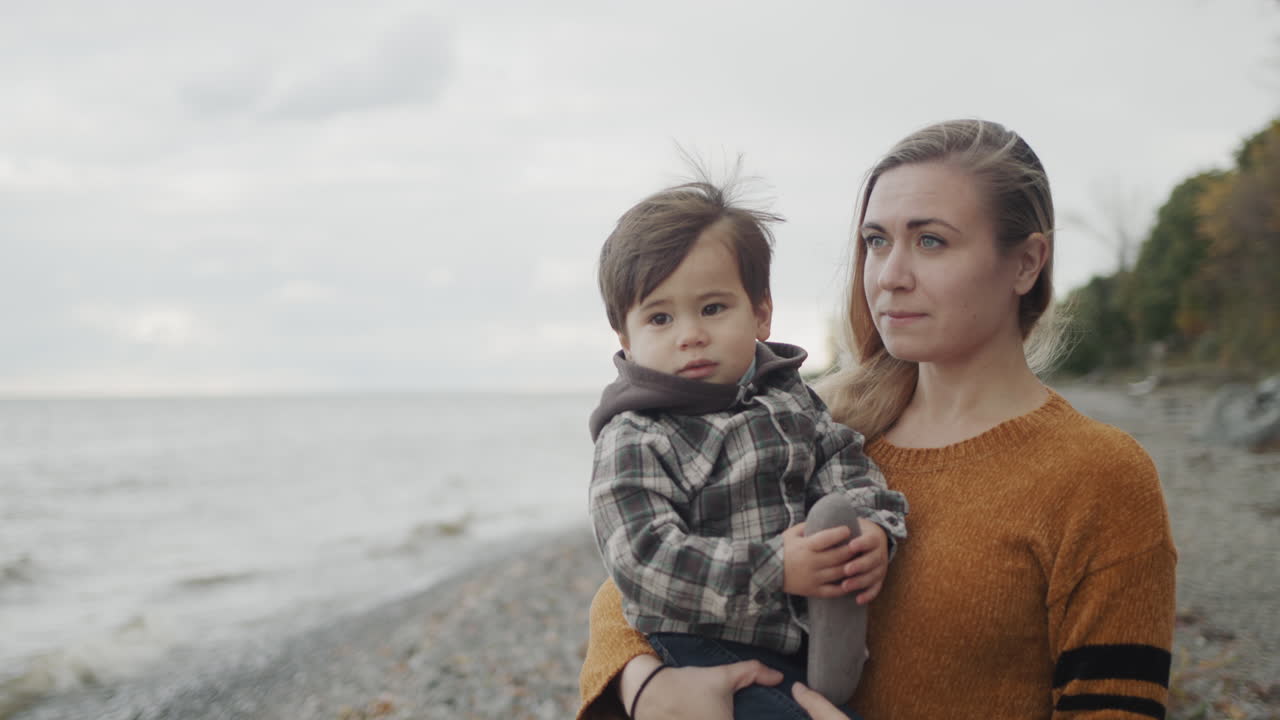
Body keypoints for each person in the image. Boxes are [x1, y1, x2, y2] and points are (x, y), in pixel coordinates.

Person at [578, 119, 1178, 720]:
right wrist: (646, 688)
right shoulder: (816, 419)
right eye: (876, 241)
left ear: (1026, 262)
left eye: (931, 241)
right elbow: (627, 586)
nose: (889, 275)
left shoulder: (1100, 475)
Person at [588, 177, 910, 719]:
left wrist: (875, 530)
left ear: (760, 313)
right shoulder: (636, 431)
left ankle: (837, 650)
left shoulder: (791, 399)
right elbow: (640, 557)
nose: (689, 334)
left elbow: (845, 467)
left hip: (794, 644)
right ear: (626, 337)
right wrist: (775, 567)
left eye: (713, 308)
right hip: (696, 647)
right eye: (660, 318)